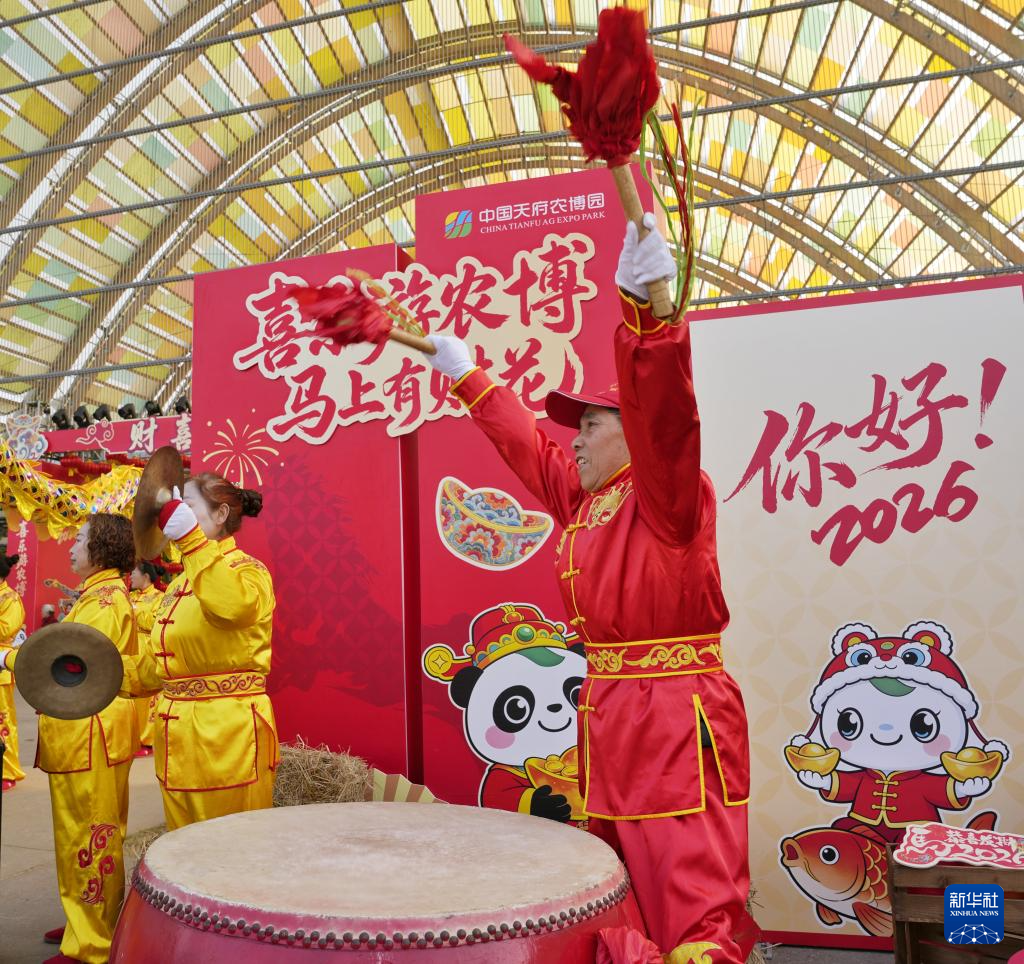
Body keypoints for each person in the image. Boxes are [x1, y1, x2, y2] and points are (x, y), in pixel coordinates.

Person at [425, 215, 756, 963]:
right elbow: (529, 450)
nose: (573, 439)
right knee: (619, 885)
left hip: (673, 718)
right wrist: (468, 376)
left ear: (631, 431)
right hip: (611, 717)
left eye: (591, 424)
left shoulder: (667, 496)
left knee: (690, 895)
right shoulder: (587, 501)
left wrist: (647, 322)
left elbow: (667, 416)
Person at [1, 515, 140, 964]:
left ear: (101, 547)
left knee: (88, 832)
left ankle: (91, 942)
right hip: (90, 729)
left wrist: (8, 657)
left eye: (80, 539)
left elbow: (69, 661)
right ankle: (87, 918)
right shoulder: (99, 596)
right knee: (88, 831)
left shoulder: (103, 601)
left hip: (90, 730)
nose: (72, 546)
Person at [121, 473, 278, 830]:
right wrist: (100, 675)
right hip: (176, 745)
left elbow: (233, 608)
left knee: (228, 844)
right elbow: (158, 668)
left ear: (221, 514)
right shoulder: (179, 585)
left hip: (227, 740)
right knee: (182, 847)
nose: (176, 512)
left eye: (187, 505)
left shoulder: (250, 571)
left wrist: (192, 541)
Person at [129, 560, 166, 755]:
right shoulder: (130, 596)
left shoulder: (159, 597)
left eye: (133, 573)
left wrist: (134, 612)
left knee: (146, 696)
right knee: (129, 695)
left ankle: (146, 740)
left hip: (146, 648)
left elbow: (155, 622)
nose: (130, 576)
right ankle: (132, 738)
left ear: (145, 576)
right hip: (128, 648)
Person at [0, 552, 26, 792]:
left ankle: (6, 770)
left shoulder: (10, 598)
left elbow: (6, 629)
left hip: (1, 667)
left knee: (2, 721)